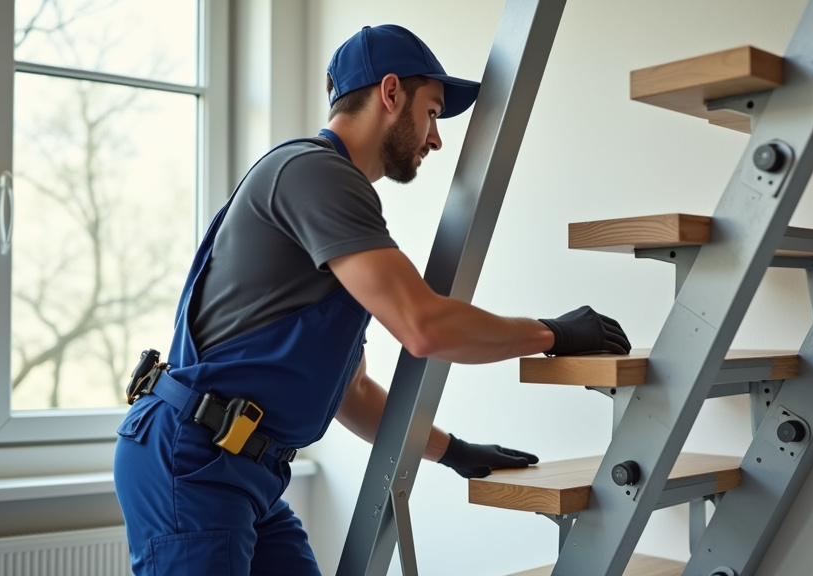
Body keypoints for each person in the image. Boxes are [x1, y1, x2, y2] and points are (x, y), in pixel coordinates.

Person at [113, 24, 631, 576]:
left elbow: (351, 392)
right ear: (390, 94)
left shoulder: (328, 197)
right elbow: (424, 325)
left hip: (245, 470)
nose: (436, 138)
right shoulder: (315, 173)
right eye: (432, 112)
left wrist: (452, 450)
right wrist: (554, 333)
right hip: (194, 462)